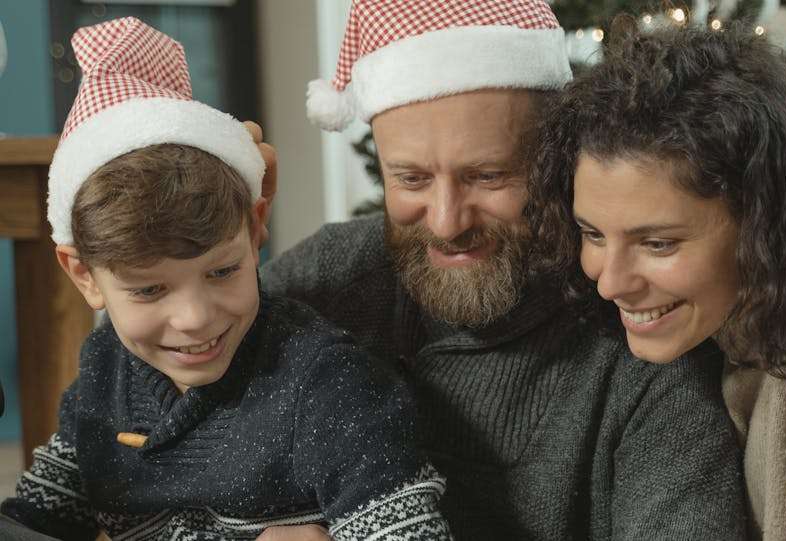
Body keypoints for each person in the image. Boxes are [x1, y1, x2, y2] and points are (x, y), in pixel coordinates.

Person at [258, 1, 747, 539]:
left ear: (556, 163)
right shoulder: (329, 283)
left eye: (487, 176)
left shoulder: (642, 332)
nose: (446, 223)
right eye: (412, 179)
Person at [0, 18, 452, 541]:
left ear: (256, 227)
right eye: (149, 289)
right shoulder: (104, 373)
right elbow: (29, 521)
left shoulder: (332, 389)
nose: (196, 318)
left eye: (222, 271)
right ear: (84, 274)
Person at [529, 18, 786, 541]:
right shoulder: (725, 336)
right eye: (593, 233)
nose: (610, 283)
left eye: (658, 243)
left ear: (764, 224)